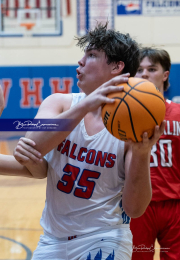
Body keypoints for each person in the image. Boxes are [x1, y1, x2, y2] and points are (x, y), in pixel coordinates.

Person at [13, 23, 165, 260]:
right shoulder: (59, 103)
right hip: (52, 239)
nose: (80, 61)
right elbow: (31, 149)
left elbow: (135, 210)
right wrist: (86, 104)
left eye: (91, 55)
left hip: (105, 236)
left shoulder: (132, 122)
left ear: (117, 67)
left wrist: (143, 153)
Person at [130, 47, 180, 260]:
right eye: (139, 70)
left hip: (175, 204)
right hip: (139, 206)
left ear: (165, 74)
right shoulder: (124, 116)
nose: (144, 74)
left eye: (151, 69)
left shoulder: (178, 114)